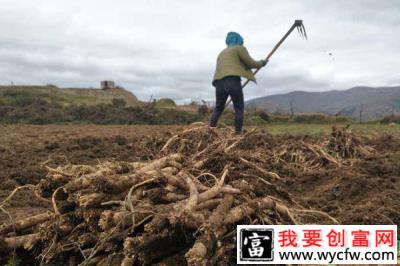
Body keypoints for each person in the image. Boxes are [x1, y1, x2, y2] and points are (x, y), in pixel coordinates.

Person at [209, 32, 267, 134]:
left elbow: (236, 64)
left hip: (218, 82)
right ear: (238, 40)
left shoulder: (221, 53)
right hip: (232, 80)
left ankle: (209, 131)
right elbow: (250, 63)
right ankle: (237, 134)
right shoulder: (239, 48)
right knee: (239, 108)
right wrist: (261, 63)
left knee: (218, 108)